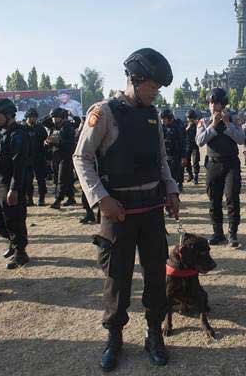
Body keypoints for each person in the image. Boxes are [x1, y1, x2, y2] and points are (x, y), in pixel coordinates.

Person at [73, 48, 180, 371]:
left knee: (154, 277)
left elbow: (161, 159)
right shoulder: (104, 112)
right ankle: (114, 338)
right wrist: (100, 198)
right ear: (135, 79)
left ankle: (153, 335)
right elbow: (82, 157)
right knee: (117, 278)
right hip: (117, 211)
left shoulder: (152, 115)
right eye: (153, 86)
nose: (156, 92)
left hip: (150, 210)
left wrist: (171, 189)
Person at [0, 98, 31, 269]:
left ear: (8, 114)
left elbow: (19, 165)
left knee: (14, 218)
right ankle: (13, 241)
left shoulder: (18, 134)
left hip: (11, 182)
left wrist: (14, 189)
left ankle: (20, 253)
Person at [196, 88, 245, 247]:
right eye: (210, 102)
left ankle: (233, 233)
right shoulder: (204, 121)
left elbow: (240, 138)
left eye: (215, 102)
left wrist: (227, 124)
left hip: (231, 163)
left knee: (232, 197)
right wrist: (214, 125)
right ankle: (218, 233)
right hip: (213, 164)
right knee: (214, 200)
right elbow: (200, 141)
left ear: (223, 104)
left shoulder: (234, 118)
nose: (212, 106)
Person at [43, 108, 77, 209]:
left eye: (56, 117)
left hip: (66, 156)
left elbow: (70, 144)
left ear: (62, 118)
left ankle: (58, 200)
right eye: (53, 117)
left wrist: (57, 142)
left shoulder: (68, 127)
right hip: (56, 155)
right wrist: (47, 143)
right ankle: (71, 198)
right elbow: (44, 121)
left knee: (61, 179)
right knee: (68, 178)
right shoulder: (55, 127)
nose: (53, 119)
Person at [23, 108, 48, 206]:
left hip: (39, 157)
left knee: (41, 179)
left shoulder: (40, 128)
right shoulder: (23, 128)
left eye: (34, 117)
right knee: (28, 180)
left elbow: (46, 140)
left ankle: (41, 199)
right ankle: (29, 199)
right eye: (31, 117)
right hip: (27, 158)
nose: (33, 119)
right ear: (27, 118)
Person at [160, 109, 186, 192]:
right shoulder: (162, 127)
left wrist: (183, 156)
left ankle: (176, 188)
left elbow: (182, 142)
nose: (162, 120)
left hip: (176, 155)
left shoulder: (177, 127)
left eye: (164, 119)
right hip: (166, 155)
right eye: (162, 119)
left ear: (170, 118)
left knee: (175, 174)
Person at [184, 109, 201, 185]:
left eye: (190, 118)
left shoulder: (197, 124)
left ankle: (196, 177)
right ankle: (190, 175)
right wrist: (188, 127)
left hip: (195, 145)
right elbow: (182, 133)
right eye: (188, 118)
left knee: (195, 161)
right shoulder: (185, 124)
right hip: (187, 145)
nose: (189, 119)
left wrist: (197, 124)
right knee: (186, 161)